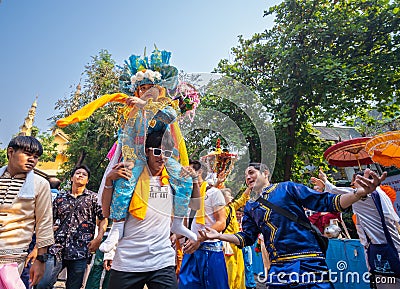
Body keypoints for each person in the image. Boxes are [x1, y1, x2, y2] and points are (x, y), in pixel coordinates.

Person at [199, 162, 386, 289]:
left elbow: (326, 202)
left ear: (265, 174)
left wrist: (358, 194)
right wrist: (218, 236)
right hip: (278, 269)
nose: (248, 177)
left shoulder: (287, 188)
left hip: (308, 261)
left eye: (251, 172)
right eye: (246, 175)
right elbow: (246, 237)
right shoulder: (250, 206)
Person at [103, 130, 182, 289]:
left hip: (162, 260)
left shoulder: (172, 181)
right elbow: (106, 212)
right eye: (158, 151)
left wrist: (177, 232)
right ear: (147, 151)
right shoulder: (130, 178)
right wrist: (109, 179)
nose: (162, 157)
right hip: (128, 260)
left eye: (167, 152)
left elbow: (184, 211)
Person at [315, 169, 400, 288]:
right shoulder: (379, 194)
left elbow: (336, 191)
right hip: (387, 246)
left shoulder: (366, 196)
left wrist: (325, 180)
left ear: (364, 182)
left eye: (354, 182)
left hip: (383, 250)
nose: (352, 185)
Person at [36, 165, 107, 289]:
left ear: (87, 180)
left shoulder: (93, 198)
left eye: (84, 174)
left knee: (74, 286)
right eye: (78, 173)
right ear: (71, 178)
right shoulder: (60, 198)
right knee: (43, 283)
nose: (80, 175)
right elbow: (49, 219)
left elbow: (103, 219)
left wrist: (98, 238)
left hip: (81, 249)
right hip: (57, 248)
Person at [0, 136, 54, 287]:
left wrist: (41, 260)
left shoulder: (40, 184)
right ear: (11, 152)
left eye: (36, 157)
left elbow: (44, 222)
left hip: (12, 257)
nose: (32, 160)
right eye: (27, 154)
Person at [178, 169, 229, 289]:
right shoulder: (185, 196)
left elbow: (221, 222)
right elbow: (185, 227)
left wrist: (199, 238)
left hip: (210, 252)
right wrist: (174, 236)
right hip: (191, 251)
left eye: (189, 172)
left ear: (199, 172)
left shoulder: (214, 193)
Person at [220, 187, 251, 289]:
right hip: (227, 245)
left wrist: (249, 187)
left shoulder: (232, 207)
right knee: (230, 270)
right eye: (229, 196)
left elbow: (243, 199)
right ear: (223, 198)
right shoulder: (220, 211)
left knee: (239, 270)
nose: (232, 197)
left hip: (236, 244)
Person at [237, 208, 257, 289]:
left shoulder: (245, 221)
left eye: (239, 214)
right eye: (237, 214)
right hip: (237, 246)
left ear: (242, 214)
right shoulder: (232, 221)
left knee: (248, 264)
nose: (238, 215)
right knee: (239, 265)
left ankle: (251, 284)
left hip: (246, 245)